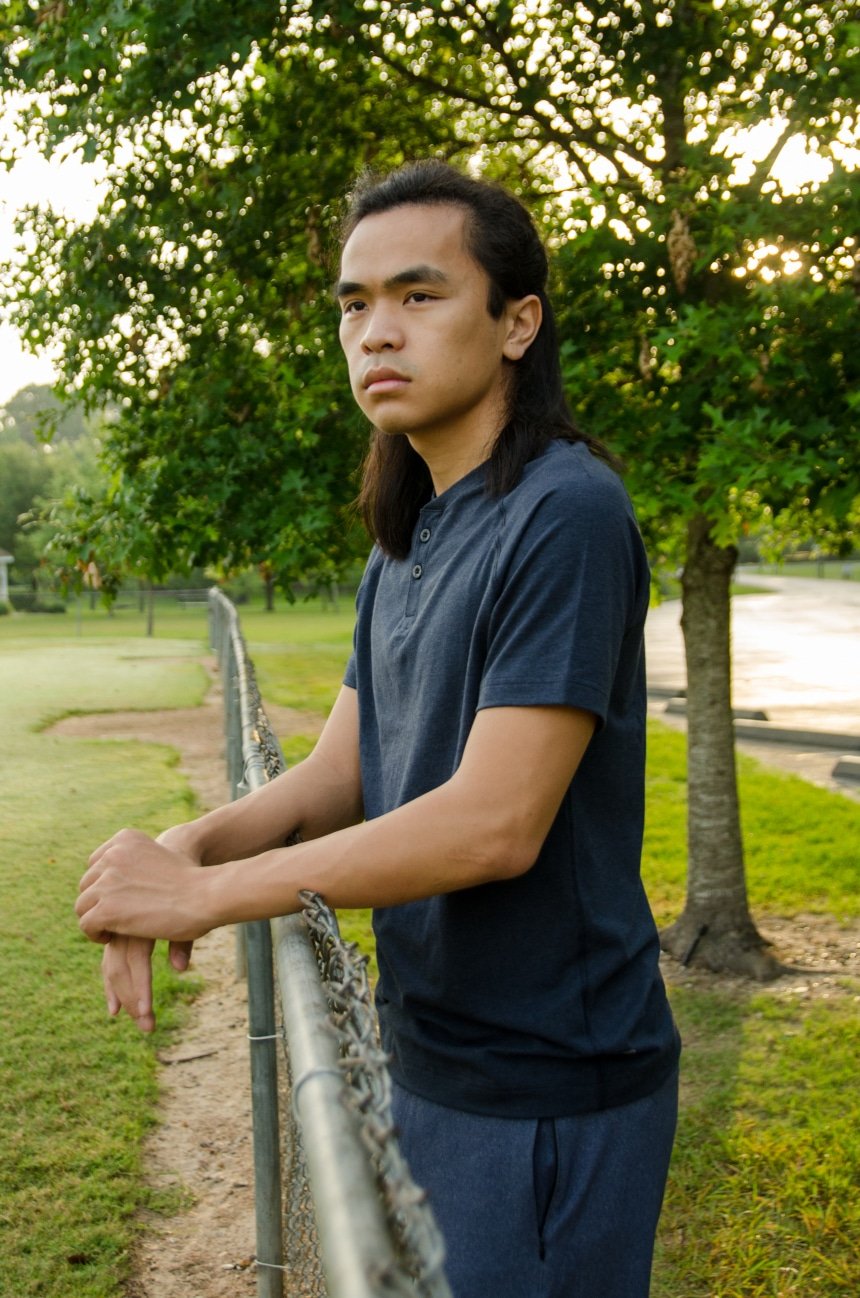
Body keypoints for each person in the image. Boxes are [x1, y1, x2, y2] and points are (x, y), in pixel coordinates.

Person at [77, 159, 680, 1298]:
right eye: (354, 305)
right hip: (431, 1057)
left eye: (417, 295)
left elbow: (492, 824)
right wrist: (189, 844)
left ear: (516, 323)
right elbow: (342, 771)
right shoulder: (403, 536)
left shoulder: (566, 512)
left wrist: (209, 897)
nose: (375, 332)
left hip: (547, 1085)